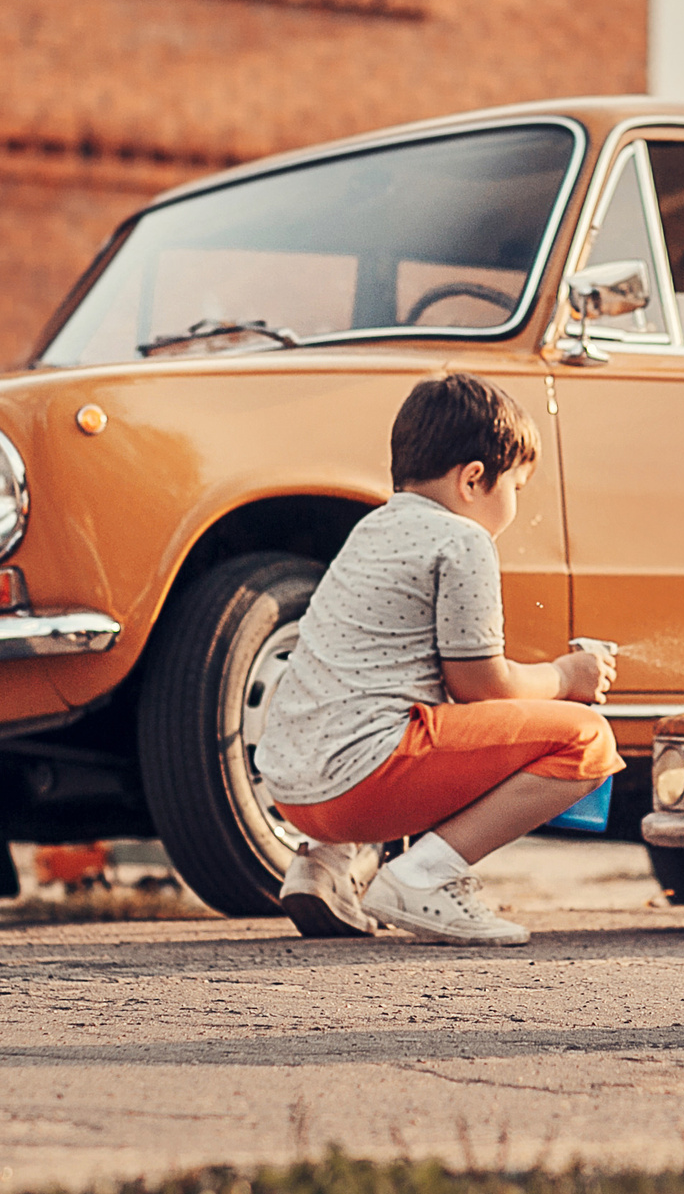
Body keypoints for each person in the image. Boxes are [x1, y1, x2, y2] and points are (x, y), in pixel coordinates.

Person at [255, 373, 619, 946]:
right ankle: (423, 877)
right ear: (474, 479)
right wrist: (564, 676)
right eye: (517, 488)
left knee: (380, 702)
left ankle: (321, 868)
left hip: (292, 792)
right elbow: (480, 686)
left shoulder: (371, 529)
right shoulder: (462, 538)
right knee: (588, 740)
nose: (516, 506)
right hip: (361, 784)